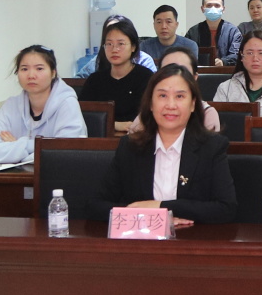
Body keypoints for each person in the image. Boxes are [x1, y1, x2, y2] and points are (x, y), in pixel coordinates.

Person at [97, 66, 235, 225]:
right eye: (162, 95)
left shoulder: (212, 147)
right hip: (142, 236)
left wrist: (161, 207)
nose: (171, 105)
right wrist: (142, 214)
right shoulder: (130, 146)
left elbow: (226, 209)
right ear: (150, 103)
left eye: (179, 96)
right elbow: (97, 205)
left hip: (193, 237)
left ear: (192, 104)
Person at [0, 45, 86, 164]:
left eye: (39, 69)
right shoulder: (11, 105)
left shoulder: (67, 104)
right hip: (16, 175)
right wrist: (30, 146)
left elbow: (63, 154)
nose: (31, 75)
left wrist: (15, 147)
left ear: (53, 73)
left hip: (57, 175)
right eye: (24, 69)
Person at [80, 18, 155, 128]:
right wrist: (115, 125)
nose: (114, 49)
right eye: (109, 44)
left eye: (121, 44)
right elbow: (82, 116)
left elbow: (150, 116)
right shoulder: (95, 80)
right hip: (100, 137)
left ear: (133, 47)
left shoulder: (146, 77)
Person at [151, 47, 222, 132]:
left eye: (183, 71)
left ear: (195, 77)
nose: (176, 76)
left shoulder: (206, 113)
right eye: (168, 71)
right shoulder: (149, 110)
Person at [184, 0, 243, 66]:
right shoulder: (193, 32)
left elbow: (238, 54)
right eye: (209, 5)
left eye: (217, 5)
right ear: (202, 9)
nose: (213, 8)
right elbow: (186, 54)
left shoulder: (232, 31)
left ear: (223, 9)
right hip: (200, 72)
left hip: (226, 72)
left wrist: (223, 62)